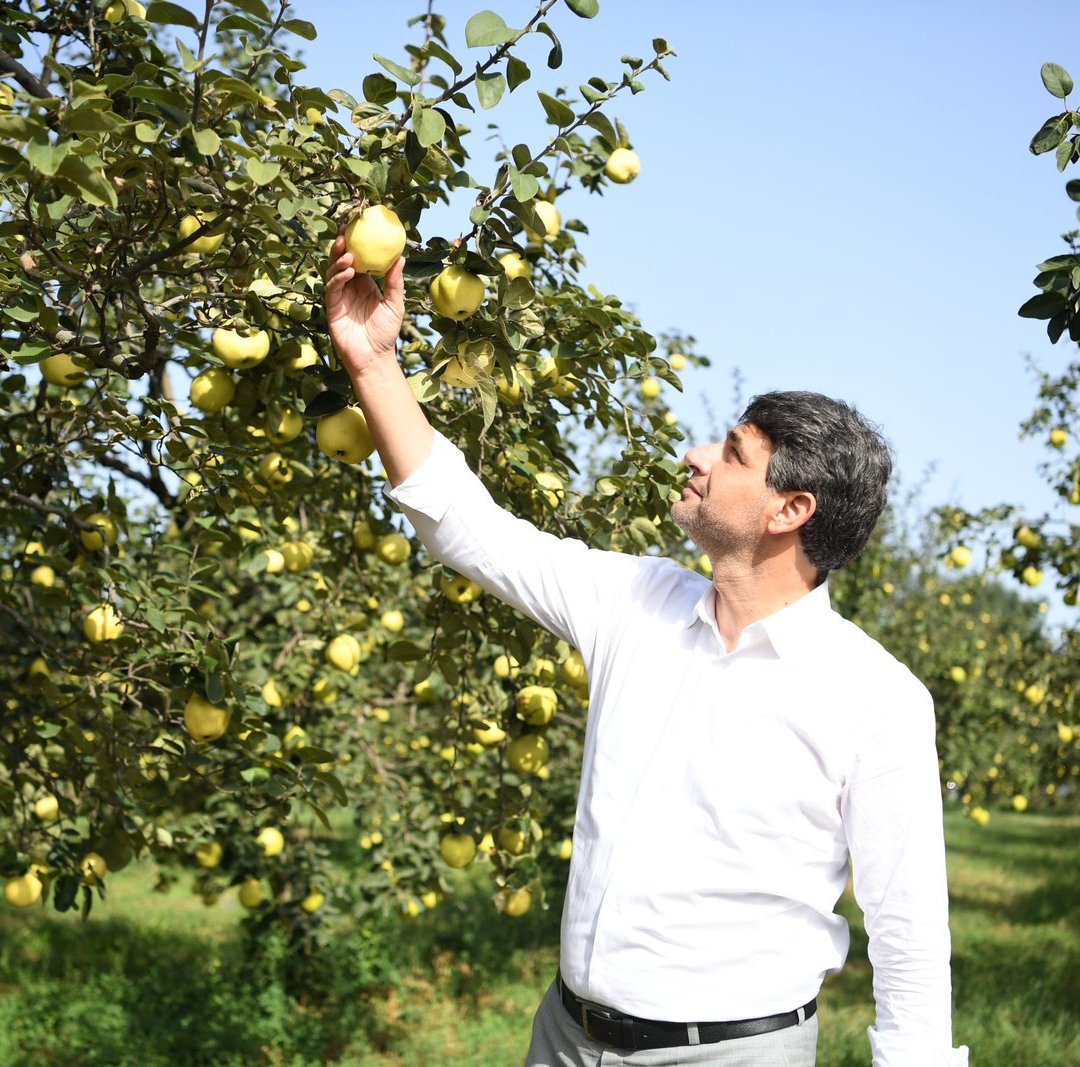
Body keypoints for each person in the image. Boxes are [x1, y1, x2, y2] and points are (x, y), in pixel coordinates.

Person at [325, 238, 968, 1067]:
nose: (698, 456)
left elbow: (908, 928)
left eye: (732, 452)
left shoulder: (873, 697)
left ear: (790, 509)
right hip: (566, 1037)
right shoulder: (635, 601)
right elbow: (468, 528)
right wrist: (375, 366)